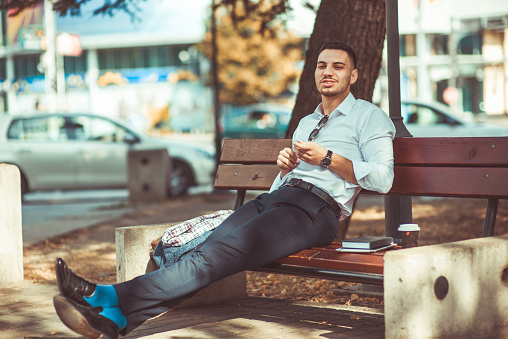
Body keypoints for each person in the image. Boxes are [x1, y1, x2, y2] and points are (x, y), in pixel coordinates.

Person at [53, 41, 396, 339]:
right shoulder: (308, 121)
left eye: (338, 66)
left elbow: (383, 179)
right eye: (322, 65)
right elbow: (286, 183)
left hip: (313, 212)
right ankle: (117, 321)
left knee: (210, 257)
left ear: (353, 76)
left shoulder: (369, 117)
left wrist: (328, 159)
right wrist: (285, 169)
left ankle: (104, 296)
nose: (328, 72)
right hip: (278, 200)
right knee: (205, 251)